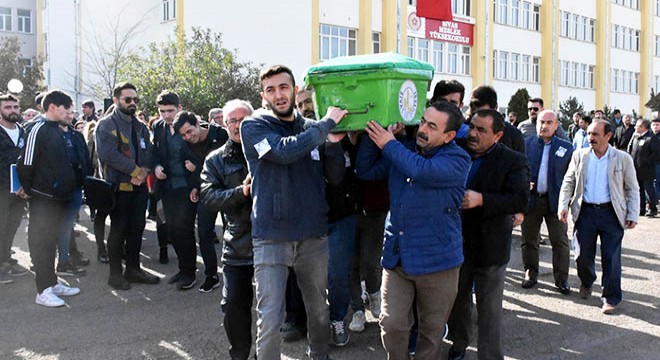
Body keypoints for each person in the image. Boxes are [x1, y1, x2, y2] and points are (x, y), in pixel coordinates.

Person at [240, 64, 347, 360]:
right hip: (271, 238)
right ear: (263, 96)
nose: (279, 94)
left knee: (319, 311)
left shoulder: (312, 128)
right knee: (270, 319)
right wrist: (325, 127)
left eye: (283, 87)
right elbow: (284, 152)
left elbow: (335, 177)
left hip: (313, 236)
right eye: (271, 89)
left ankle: (319, 355)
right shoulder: (253, 127)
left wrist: (335, 145)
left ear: (295, 89)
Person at [355, 101, 470, 360]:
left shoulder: (458, 159)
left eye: (432, 126)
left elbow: (422, 171)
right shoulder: (403, 150)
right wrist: (373, 136)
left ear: (449, 136)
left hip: (438, 261)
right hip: (398, 258)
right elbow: (365, 170)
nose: (423, 129)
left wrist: (389, 143)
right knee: (392, 324)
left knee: (431, 330)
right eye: (422, 121)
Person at [447, 109, 529, 360]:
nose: (473, 134)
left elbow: (520, 199)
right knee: (458, 303)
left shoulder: (512, 160)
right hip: (456, 244)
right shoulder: (455, 147)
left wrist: (482, 199)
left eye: (481, 130)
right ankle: (459, 345)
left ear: (498, 135)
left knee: (489, 310)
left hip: (490, 246)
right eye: (472, 127)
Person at [559, 120, 640, 314]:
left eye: (595, 134)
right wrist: (563, 205)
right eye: (588, 134)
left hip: (611, 213)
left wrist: (633, 213)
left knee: (611, 257)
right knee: (581, 256)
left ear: (608, 136)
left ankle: (610, 297)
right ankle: (587, 281)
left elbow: (632, 188)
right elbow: (568, 181)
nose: (591, 138)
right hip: (585, 212)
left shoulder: (622, 158)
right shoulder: (580, 156)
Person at [200, 99, 253, 359]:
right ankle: (241, 355)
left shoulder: (269, 150)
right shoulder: (215, 160)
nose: (238, 125)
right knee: (233, 306)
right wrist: (241, 192)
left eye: (244, 119)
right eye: (232, 120)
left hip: (275, 243)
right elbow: (208, 198)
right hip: (238, 245)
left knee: (274, 309)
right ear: (224, 123)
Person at [17, 89, 81, 307]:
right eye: (66, 109)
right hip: (43, 198)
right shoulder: (38, 129)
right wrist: (29, 190)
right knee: (41, 243)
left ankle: (52, 283)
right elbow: (25, 163)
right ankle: (42, 290)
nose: (70, 113)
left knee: (52, 242)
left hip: (60, 197)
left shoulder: (57, 130)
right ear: (52, 107)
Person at [96, 82, 159, 290]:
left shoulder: (139, 125)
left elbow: (149, 151)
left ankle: (133, 269)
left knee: (137, 228)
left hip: (139, 188)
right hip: (119, 188)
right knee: (118, 230)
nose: (132, 103)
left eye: (135, 100)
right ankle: (115, 274)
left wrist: (145, 172)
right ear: (116, 100)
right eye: (127, 100)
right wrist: (135, 171)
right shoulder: (106, 124)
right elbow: (108, 154)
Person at [174, 103, 232, 292]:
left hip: (229, 191)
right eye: (183, 135)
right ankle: (211, 275)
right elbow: (193, 173)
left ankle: (237, 273)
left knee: (233, 233)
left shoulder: (221, 135)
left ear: (198, 123)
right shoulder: (185, 146)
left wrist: (196, 167)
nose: (188, 137)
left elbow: (223, 166)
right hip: (206, 192)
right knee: (205, 234)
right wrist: (194, 187)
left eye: (190, 131)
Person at [520, 110, 573, 294]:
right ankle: (530, 273)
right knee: (529, 240)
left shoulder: (566, 148)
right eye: (542, 122)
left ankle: (562, 279)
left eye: (549, 122)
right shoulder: (526, 145)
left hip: (555, 203)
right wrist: (525, 183)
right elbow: (519, 170)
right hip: (532, 200)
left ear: (556, 125)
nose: (545, 126)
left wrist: (567, 202)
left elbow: (571, 176)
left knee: (560, 241)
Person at [152, 90, 200, 290]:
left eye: (170, 110)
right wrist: (155, 167)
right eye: (162, 111)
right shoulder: (158, 127)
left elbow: (203, 155)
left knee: (185, 229)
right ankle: (182, 269)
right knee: (172, 229)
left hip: (187, 188)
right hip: (167, 187)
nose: (166, 115)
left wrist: (195, 169)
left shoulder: (190, 126)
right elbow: (154, 152)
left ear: (179, 108)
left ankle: (190, 272)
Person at [0, 93, 29, 284]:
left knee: (11, 227)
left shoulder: (24, 132)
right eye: (8, 107)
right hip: (1, 190)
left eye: (16, 107)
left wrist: (25, 186)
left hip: (19, 191)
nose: (13, 111)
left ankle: (5, 260)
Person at [627, 119, 660, 217]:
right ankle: (641, 209)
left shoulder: (651, 138)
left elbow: (656, 153)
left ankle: (652, 208)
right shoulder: (635, 137)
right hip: (636, 169)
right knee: (638, 190)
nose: (635, 127)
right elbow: (631, 149)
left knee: (648, 189)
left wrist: (646, 161)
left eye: (637, 126)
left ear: (643, 127)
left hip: (647, 169)